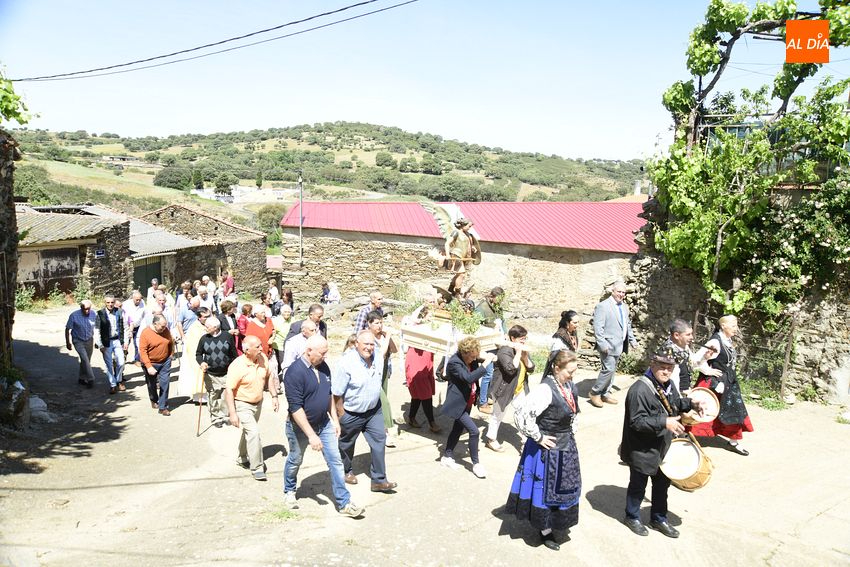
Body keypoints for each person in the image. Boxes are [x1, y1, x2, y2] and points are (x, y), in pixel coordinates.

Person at [620, 351, 707, 539]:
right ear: (652, 364)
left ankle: (658, 518)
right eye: (662, 367)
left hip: (663, 445)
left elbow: (674, 403)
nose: (666, 371)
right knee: (638, 485)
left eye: (670, 368)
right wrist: (664, 422)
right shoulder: (639, 390)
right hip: (642, 448)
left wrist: (691, 404)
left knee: (661, 484)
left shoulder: (668, 384)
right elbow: (636, 422)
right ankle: (632, 516)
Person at [505, 350, 582, 551]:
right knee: (545, 489)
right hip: (546, 450)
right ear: (557, 368)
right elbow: (522, 414)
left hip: (566, 446)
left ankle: (556, 521)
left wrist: (571, 431)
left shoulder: (568, 386)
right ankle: (545, 529)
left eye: (574, 372)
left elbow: (573, 413)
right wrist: (538, 437)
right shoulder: (544, 390)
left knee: (564, 486)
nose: (572, 376)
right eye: (569, 372)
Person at [282, 335, 365, 518]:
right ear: (309, 350)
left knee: (335, 461)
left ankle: (344, 503)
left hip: (324, 423)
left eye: (326, 353)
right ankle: (289, 490)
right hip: (300, 427)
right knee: (296, 459)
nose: (324, 357)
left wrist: (334, 419)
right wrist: (311, 435)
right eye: (322, 353)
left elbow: (329, 396)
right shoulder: (294, 373)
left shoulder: (324, 367)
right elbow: (295, 408)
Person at [332, 330, 398, 493]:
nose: (369, 348)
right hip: (352, 412)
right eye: (365, 344)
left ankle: (379, 480)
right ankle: (346, 471)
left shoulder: (377, 357)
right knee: (346, 444)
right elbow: (337, 393)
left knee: (379, 441)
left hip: (373, 411)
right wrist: (341, 414)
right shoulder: (346, 363)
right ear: (356, 345)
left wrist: (387, 335)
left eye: (371, 344)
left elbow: (390, 349)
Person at [691, 315, 754, 455]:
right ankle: (684, 436)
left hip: (728, 383)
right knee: (700, 410)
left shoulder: (727, 340)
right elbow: (695, 359)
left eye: (736, 325)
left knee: (734, 410)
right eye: (733, 326)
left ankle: (733, 442)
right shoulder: (715, 342)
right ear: (723, 326)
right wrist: (708, 370)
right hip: (713, 383)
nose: (735, 329)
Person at [225, 335, 279, 481]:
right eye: (258, 347)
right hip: (242, 404)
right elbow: (229, 390)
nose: (262, 349)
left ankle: (242, 457)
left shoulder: (263, 359)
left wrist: (274, 396)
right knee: (254, 432)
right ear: (247, 350)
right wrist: (232, 413)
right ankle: (257, 468)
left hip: (258, 403)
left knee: (249, 431)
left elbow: (269, 377)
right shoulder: (237, 366)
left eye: (261, 345)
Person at [440, 336, 496, 478]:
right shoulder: (454, 363)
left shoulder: (470, 358)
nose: (473, 359)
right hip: (457, 404)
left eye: (474, 356)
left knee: (457, 429)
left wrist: (485, 356)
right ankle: (476, 464)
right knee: (474, 431)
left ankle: (447, 456)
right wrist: (486, 364)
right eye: (471, 357)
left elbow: (475, 372)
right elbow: (468, 378)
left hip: (467, 401)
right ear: (465, 353)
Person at [483, 325, 535, 452]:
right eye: (521, 339)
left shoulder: (522, 350)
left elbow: (531, 368)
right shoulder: (504, 351)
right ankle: (491, 439)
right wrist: (517, 354)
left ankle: (525, 441)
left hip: (519, 389)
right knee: (498, 415)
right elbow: (511, 369)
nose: (523, 341)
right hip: (504, 389)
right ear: (513, 338)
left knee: (523, 414)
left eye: (525, 338)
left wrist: (525, 356)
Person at [590, 281, 638, 408]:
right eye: (619, 292)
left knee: (612, 370)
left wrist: (632, 340)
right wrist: (602, 344)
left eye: (623, 292)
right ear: (613, 291)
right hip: (608, 345)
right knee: (608, 369)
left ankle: (605, 393)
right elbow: (598, 327)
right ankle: (595, 392)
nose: (621, 294)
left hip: (619, 344)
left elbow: (627, 326)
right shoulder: (603, 306)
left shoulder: (624, 307)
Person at [402, 305, 440, 433]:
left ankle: (412, 417)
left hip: (426, 361)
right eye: (429, 315)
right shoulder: (416, 329)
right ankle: (432, 422)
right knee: (426, 393)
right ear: (423, 316)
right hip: (416, 362)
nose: (431, 318)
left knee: (418, 395)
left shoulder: (431, 329)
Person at [196, 316, 238, 427]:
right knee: (213, 396)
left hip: (226, 372)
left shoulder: (227, 336)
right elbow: (198, 354)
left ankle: (225, 415)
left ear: (215, 327)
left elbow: (234, 354)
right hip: (210, 373)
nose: (205, 328)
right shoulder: (204, 339)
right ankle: (216, 418)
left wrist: (233, 368)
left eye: (207, 327)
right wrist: (202, 363)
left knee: (225, 395)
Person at [366, 310, 399, 447]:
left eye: (381, 322)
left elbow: (394, 349)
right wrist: (388, 335)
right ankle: (386, 431)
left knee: (382, 398)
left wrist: (388, 337)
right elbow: (381, 354)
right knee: (384, 401)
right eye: (376, 323)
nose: (379, 326)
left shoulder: (382, 336)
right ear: (369, 324)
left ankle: (379, 429)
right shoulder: (368, 337)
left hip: (384, 369)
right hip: (373, 370)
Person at [473, 286, 506, 415]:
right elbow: (476, 327)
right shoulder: (482, 308)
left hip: (495, 343)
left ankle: (485, 396)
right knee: (488, 373)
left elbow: (502, 323)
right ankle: (482, 403)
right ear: (492, 296)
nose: (500, 302)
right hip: (485, 345)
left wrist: (506, 335)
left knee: (494, 373)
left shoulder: (498, 308)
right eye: (498, 299)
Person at [661, 318, 712, 393]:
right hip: (674, 395)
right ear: (676, 335)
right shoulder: (669, 352)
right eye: (688, 335)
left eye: (691, 334)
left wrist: (704, 357)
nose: (691, 337)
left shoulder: (683, 347)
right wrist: (680, 397)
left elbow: (691, 364)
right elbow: (672, 380)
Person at [139, 314, 175, 416]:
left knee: (165, 383)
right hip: (150, 362)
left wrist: (171, 355)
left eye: (165, 326)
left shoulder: (165, 330)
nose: (164, 329)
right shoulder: (146, 333)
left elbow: (171, 342)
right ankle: (153, 399)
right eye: (162, 326)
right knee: (151, 384)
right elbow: (142, 350)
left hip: (165, 361)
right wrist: (148, 366)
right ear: (155, 324)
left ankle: (163, 407)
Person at [94, 294, 129, 394]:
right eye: (108, 302)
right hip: (106, 341)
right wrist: (100, 345)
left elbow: (125, 327)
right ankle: (113, 384)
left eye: (112, 302)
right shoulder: (100, 314)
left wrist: (125, 341)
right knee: (109, 364)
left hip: (117, 340)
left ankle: (118, 380)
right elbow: (96, 331)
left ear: (114, 302)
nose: (110, 304)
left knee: (121, 362)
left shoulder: (120, 312)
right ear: (105, 303)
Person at [177, 307, 211, 402]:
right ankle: (201, 398)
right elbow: (193, 345)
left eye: (209, 316)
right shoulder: (194, 328)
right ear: (199, 317)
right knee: (198, 376)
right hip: (198, 356)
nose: (208, 318)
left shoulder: (209, 324)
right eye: (205, 317)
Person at [65, 300, 97, 388]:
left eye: (88, 309)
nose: (87, 311)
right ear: (81, 308)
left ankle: (81, 378)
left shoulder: (93, 314)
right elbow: (67, 329)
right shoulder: (74, 315)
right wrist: (68, 342)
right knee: (85, 359)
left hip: (89, 340)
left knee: (86, 360)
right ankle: (91, 379)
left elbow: (97, 327)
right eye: (85, 309)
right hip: (78, 340)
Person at [444, 217, 479, 296]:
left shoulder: (467, 235)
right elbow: (447, 243)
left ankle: (450, 288)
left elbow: (467, 244)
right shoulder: (456, 232)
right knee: (461, 274)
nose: (470, 228)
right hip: (456, 255)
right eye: (468, 226)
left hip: (463, 257)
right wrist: (447, 255)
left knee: (459, 274)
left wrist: (472, 248)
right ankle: (457, 293)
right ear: (463, 225)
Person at [542, 310, 579, 378]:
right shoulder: (560, 336)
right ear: (567, 323)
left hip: (568, 368)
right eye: (575, 323)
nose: (577, 325)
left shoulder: (573, 332)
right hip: (559, 370)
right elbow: (554, 356)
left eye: (578, 322)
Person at [246, 303, 277, 378]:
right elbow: (248, 341)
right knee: (262, 372)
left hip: (270, 351)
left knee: (273, 369)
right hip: (260, 354)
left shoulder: (268, 320)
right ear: (256, 314)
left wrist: (272, 338)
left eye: (264, 312)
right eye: (262, 312)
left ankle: (274, 387)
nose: (264, 314)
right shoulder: (252, 325)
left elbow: (274, 331)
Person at [270, 304, 293, 377]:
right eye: (285, 312)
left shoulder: (292, 320)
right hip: (278, 345)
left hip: (289, 345)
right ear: (281, 312)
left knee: (287, 363)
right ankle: (274, 378)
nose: (287, 313)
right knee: (281, 363)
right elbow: (272, 332)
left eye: (288, 312)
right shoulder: (276, 320)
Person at [123, 291, 146, 364]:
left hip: (138, 325)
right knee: (126, 342)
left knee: (137, 343)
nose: (138, 301)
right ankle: (123, 357)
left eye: (139, 299)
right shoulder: (126, 304)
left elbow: (144, 314)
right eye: (137, 300)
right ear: (133, 298)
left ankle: (137, 359)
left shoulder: (142, 303)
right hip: (127, 326)